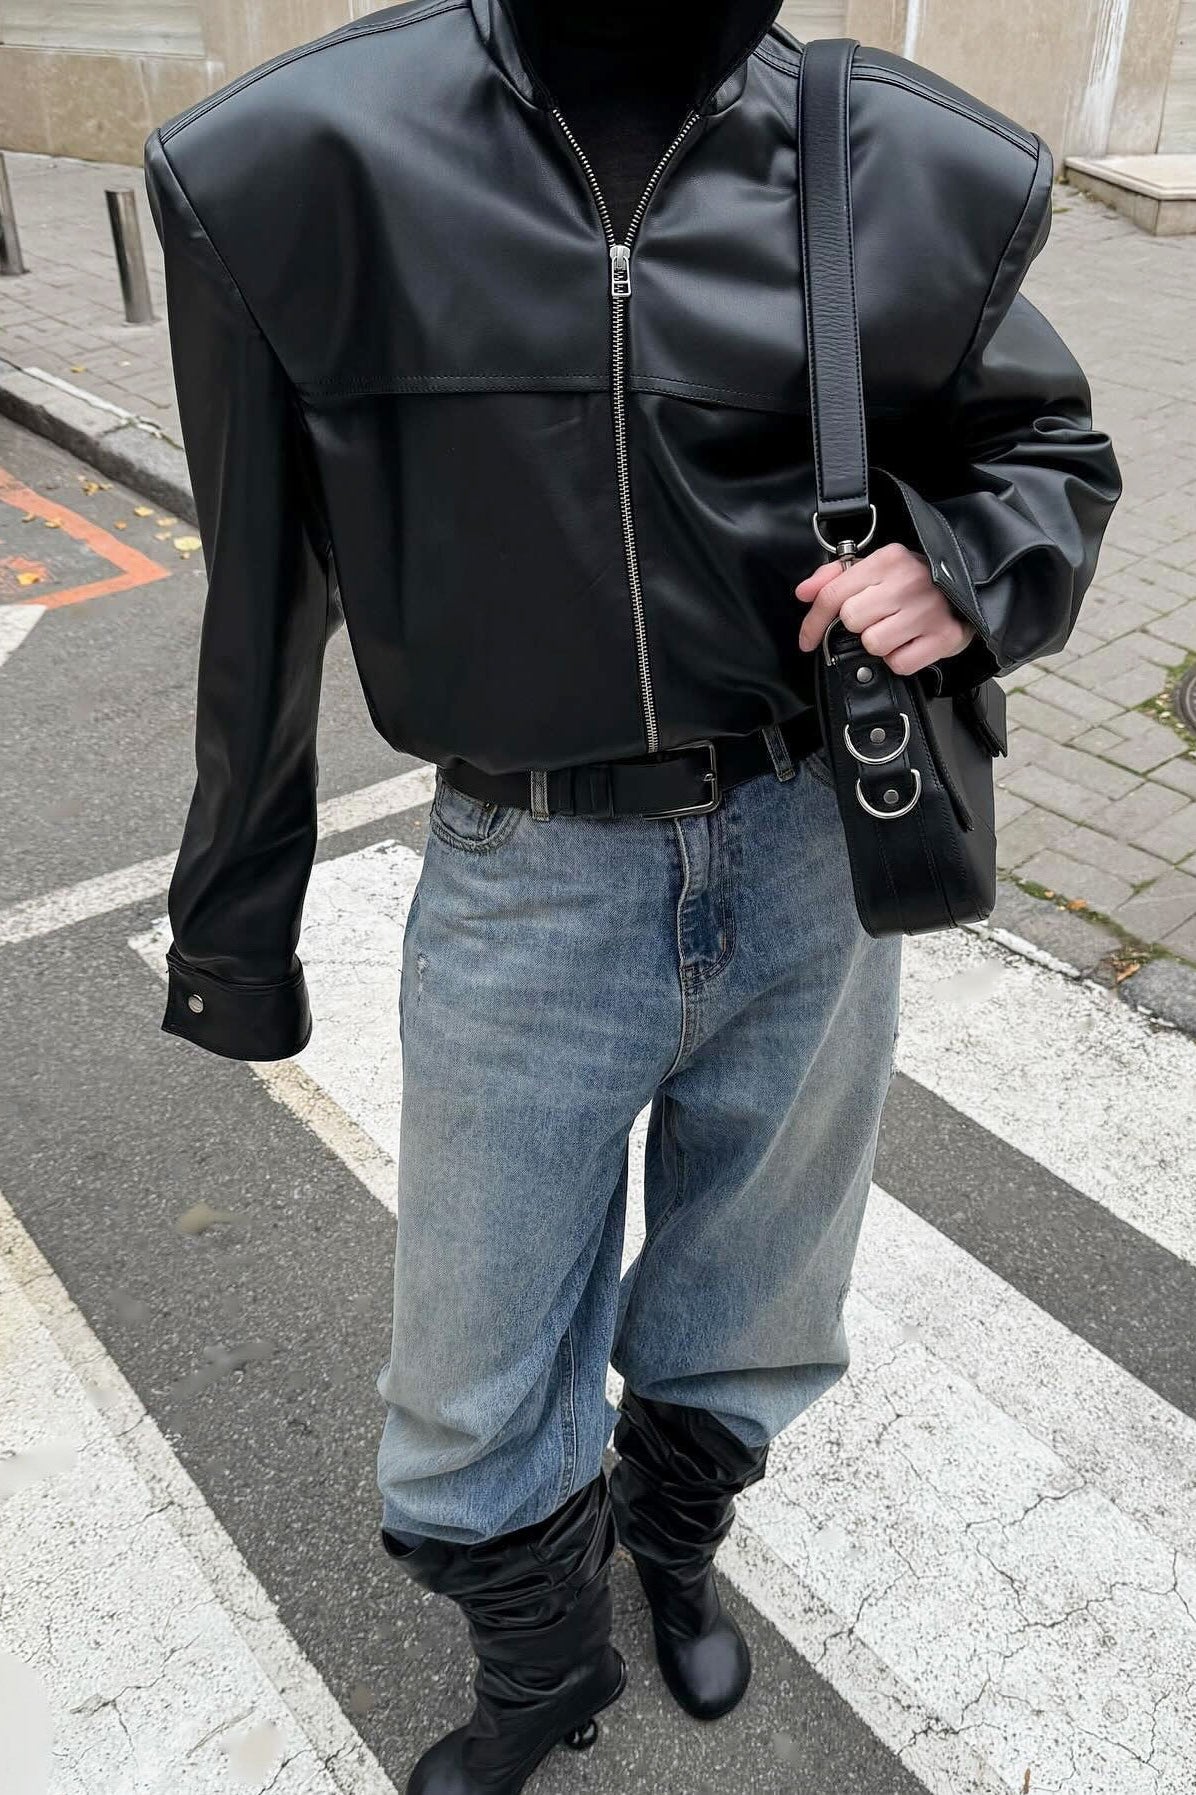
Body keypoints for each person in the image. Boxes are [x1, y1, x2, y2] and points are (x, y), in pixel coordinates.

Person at [144, 1, 1121, 1790]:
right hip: (529, 874)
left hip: (813, 851)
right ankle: (540, 1661)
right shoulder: (303, 165)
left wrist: (964, 565)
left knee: (757, 1280)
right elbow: (261, 594)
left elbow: (1046, 457)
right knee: (474, 1352)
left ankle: (672, 1544)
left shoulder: (897, 158)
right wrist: (236, 930)